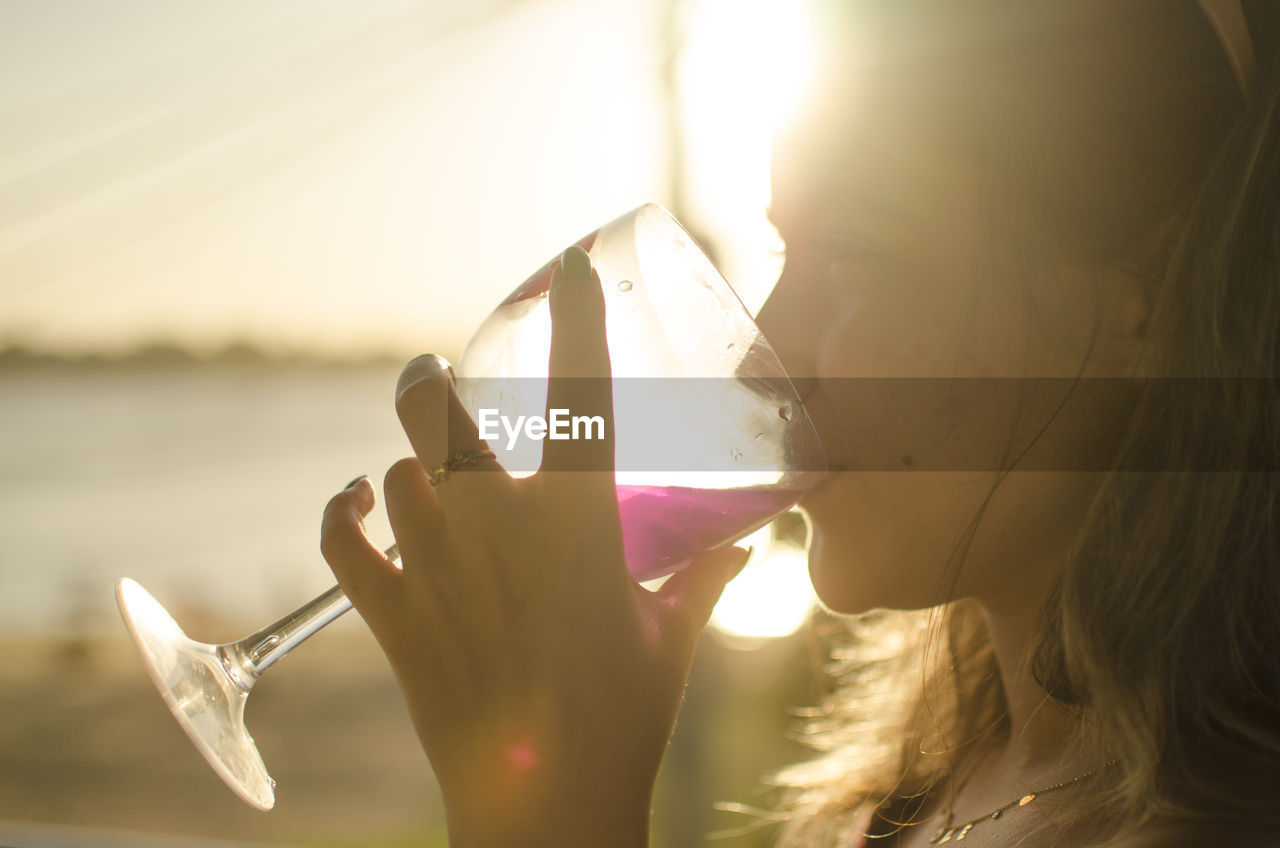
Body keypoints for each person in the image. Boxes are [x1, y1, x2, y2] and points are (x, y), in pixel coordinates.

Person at [319, 1, 1280, 845]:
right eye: (783, 248)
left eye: (857, 256)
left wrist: (554, 811)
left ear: (1144, 312)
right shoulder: (902, 807)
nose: (761, 352)